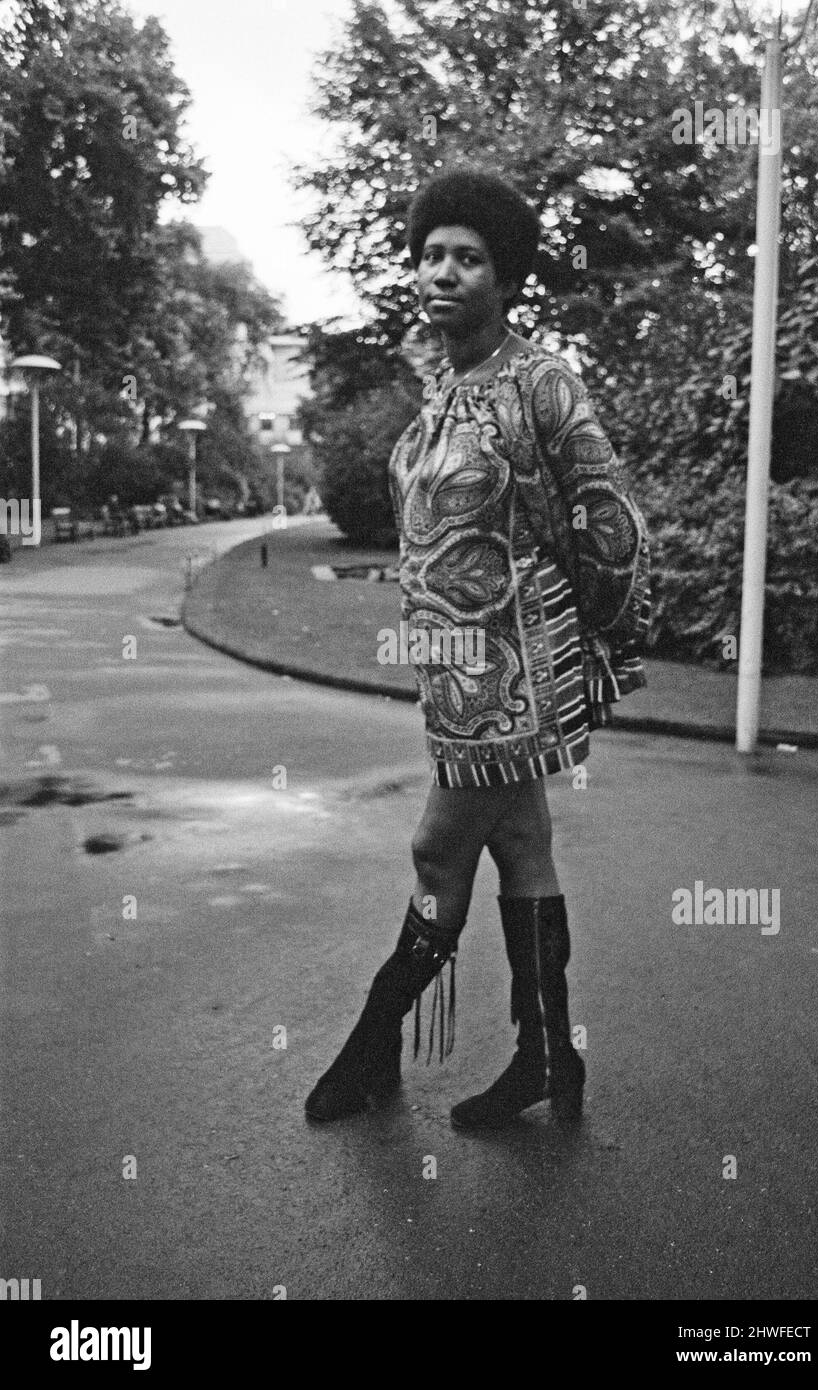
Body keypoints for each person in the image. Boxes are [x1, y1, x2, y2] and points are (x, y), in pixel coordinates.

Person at [305, 168, 651, 1129]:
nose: (442, 272)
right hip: (455, 683)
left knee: (434, 847)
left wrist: (606, 642)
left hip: (517, 677)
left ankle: (372, 1049)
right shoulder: (444, 391)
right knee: (522, 844)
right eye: (430, 254)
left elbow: (610, 523)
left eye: (468, 258)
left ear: (504, 278)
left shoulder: (539, 383)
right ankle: (547, 1061)